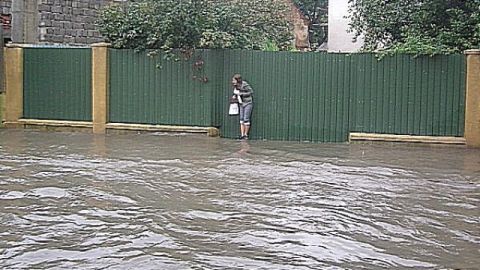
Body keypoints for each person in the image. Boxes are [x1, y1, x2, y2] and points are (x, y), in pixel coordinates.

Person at [231, 74, 253, 140]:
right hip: (241, 103)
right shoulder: (236, 86)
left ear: (237, 80)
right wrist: (235, 96)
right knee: (241, 119)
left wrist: (241, 94)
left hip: (248, 103)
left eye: (234, 80)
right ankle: (242, 135)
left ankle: (246, 135)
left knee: (246, 118)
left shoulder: (244, 84)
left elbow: (251, 92)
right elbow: (237, 93)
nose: (232, 81)